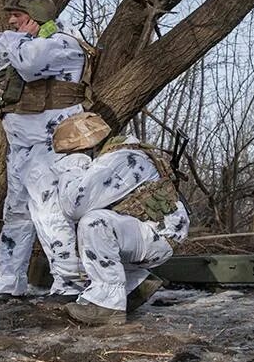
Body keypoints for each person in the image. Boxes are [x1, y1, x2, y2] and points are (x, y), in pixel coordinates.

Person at [0, 0, 91, 306]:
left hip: (54, 143)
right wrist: (9, 43)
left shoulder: (64, 43)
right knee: (15, 213)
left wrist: (6, 41)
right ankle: (9, 283)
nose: (10, 22)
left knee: (48, 210)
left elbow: (28, 64)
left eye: (18, 16)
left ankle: (67, 283)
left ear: (37, 18)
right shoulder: (28, 42)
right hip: (22, 146)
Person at [49, 112, 190, 325]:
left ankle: (107, 305)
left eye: (69, 153)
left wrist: (72, 167)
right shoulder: (127, 152)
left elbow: (73, 206)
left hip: (158, 236)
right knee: (100, 222)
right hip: (156, 233)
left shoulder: (117, 161)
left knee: (94, 223)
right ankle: (136, 285)